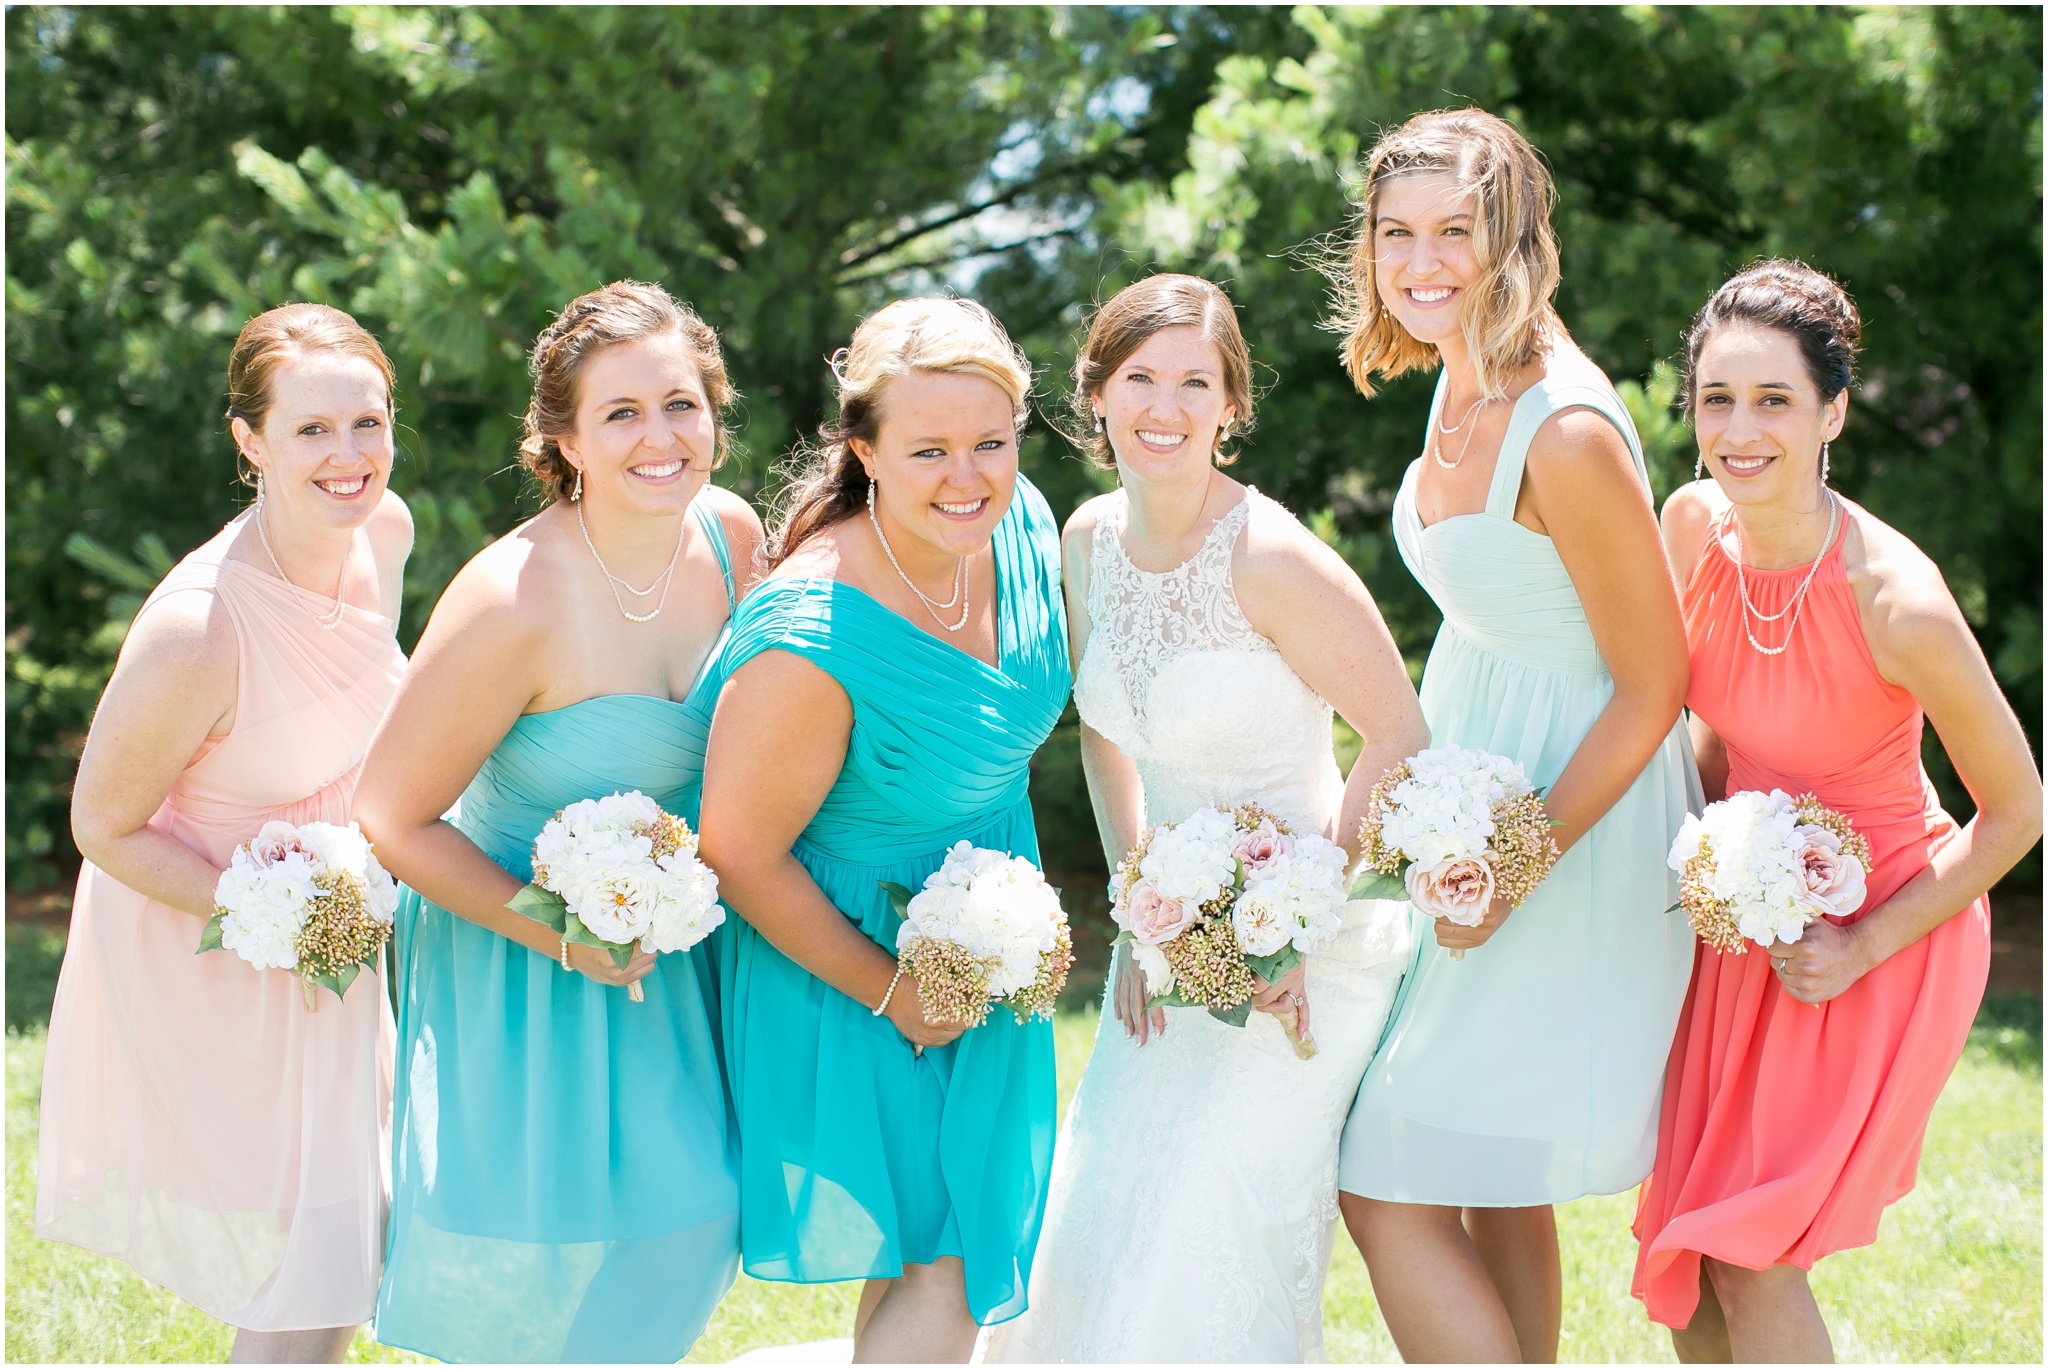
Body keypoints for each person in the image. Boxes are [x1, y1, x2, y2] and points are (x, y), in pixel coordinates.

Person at [982, 273, 1427, 1363]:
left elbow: (1398, 738)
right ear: (1095, 395)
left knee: (1204, 1212)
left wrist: (1291, 927)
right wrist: (1143, 916)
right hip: (1172, 942)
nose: (1164, 407)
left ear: (1231, 405)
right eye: (1139, 378)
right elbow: (1099, 733)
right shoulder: (1085, 541)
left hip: (1310, 952)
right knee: (1101, 1212)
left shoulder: (1272, 559)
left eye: (1194, 381)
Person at [1329, 108, 1699, 1363]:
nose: (1420, 260)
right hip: (1474, 791)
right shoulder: (1456, 370)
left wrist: (1514, 859)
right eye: (1395, 234)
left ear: (1514, 239)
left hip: (1568, 820)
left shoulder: (1568, 429)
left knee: (1383, 1174)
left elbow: (1653, 684)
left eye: (1453, 233)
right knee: (1488, 1172)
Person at [1631, 260, 2043, 1363]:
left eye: (1773, 400)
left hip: (1880, 935)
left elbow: (2014, 810)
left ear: (1833, 413)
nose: (1738, 429)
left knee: (1749, 1249)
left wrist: (1859, 943)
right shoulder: (1687, 528)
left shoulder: (1893, 601)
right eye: (1716, 398)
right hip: (1742, 928)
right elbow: (1708, 740)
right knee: (1695, 1263)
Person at [354, 281, 760, 1363]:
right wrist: (563, 931)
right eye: (619, 413)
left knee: (702, 1212)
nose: (659, 437)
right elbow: (389, 815)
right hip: (525, 950)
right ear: (563, 439)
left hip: (674, 946)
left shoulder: (731, 538)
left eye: (680, 402)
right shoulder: (513, 598)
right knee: (610, 1235)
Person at [696, 297, 1068, 1363]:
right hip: (851, 960)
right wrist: (895, 990)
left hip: (986, 934)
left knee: (936, 1249)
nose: (968, 477)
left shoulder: (1022, 528)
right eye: (929, 451)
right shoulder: (810, 637)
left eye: (990, 443)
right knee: (951, 1256)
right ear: (863, 449)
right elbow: (738, 849)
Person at [37, 303, 411, 1364]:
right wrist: (280, 917)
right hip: (218, 936)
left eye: (369, 423)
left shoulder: (385, 532)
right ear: (249, 440)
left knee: (349, 1229)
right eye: (311, 430)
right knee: (332, 1239)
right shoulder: (197, 629)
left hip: (339, 927)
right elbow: (103, 824)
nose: (349, 458)